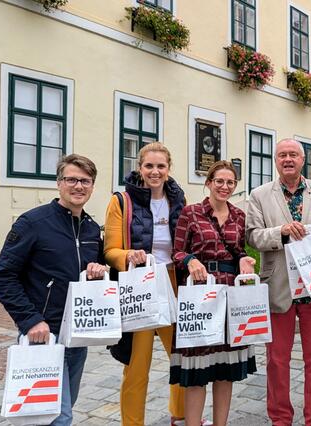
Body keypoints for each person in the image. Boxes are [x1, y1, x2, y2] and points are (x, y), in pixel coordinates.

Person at [0, 154, 106, 425]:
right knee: (58, 415)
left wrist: (98, 273)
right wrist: (30, 321)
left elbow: (90, 274)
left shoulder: (91, 229)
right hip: (44, 335)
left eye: (85, 181)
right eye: (71, 179)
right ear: (58, 183)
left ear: (92, 186)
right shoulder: (32, 223)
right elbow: (3, 276)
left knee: (57, 408)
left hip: (78, 336)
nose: (78, 186)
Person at [246, 139, 311, 426]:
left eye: (293, 154)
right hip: (279, 286)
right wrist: (280, 232)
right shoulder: (260, 195)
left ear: (303, 159)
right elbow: (252, 236)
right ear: (276, 161)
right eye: (282, 155)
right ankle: (280, 419)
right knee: (277, 361)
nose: (288, 159)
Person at [103, 142, 186, 426]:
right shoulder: (122, 201)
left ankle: (181, 414)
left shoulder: (179, 200)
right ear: (140, 168)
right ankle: (132, 422)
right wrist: (129, 255)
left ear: (168, 169)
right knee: (137, 365)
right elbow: (110, 251)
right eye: (149, 166)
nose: (155, 171)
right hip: (139, 286)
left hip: (174, 283)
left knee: (181, 357)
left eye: (160, 166)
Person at [170, 160, 257, 426]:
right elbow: (177, 252)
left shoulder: (239, 216)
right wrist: (190, 261)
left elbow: (239, 250)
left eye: (230, 182)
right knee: (197, 368)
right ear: (208, 183)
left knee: (225, 369)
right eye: (219, 181)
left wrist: (245, 260)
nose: (224, 186)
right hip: (199, 293)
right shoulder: (191, 212)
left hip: (230, 292)